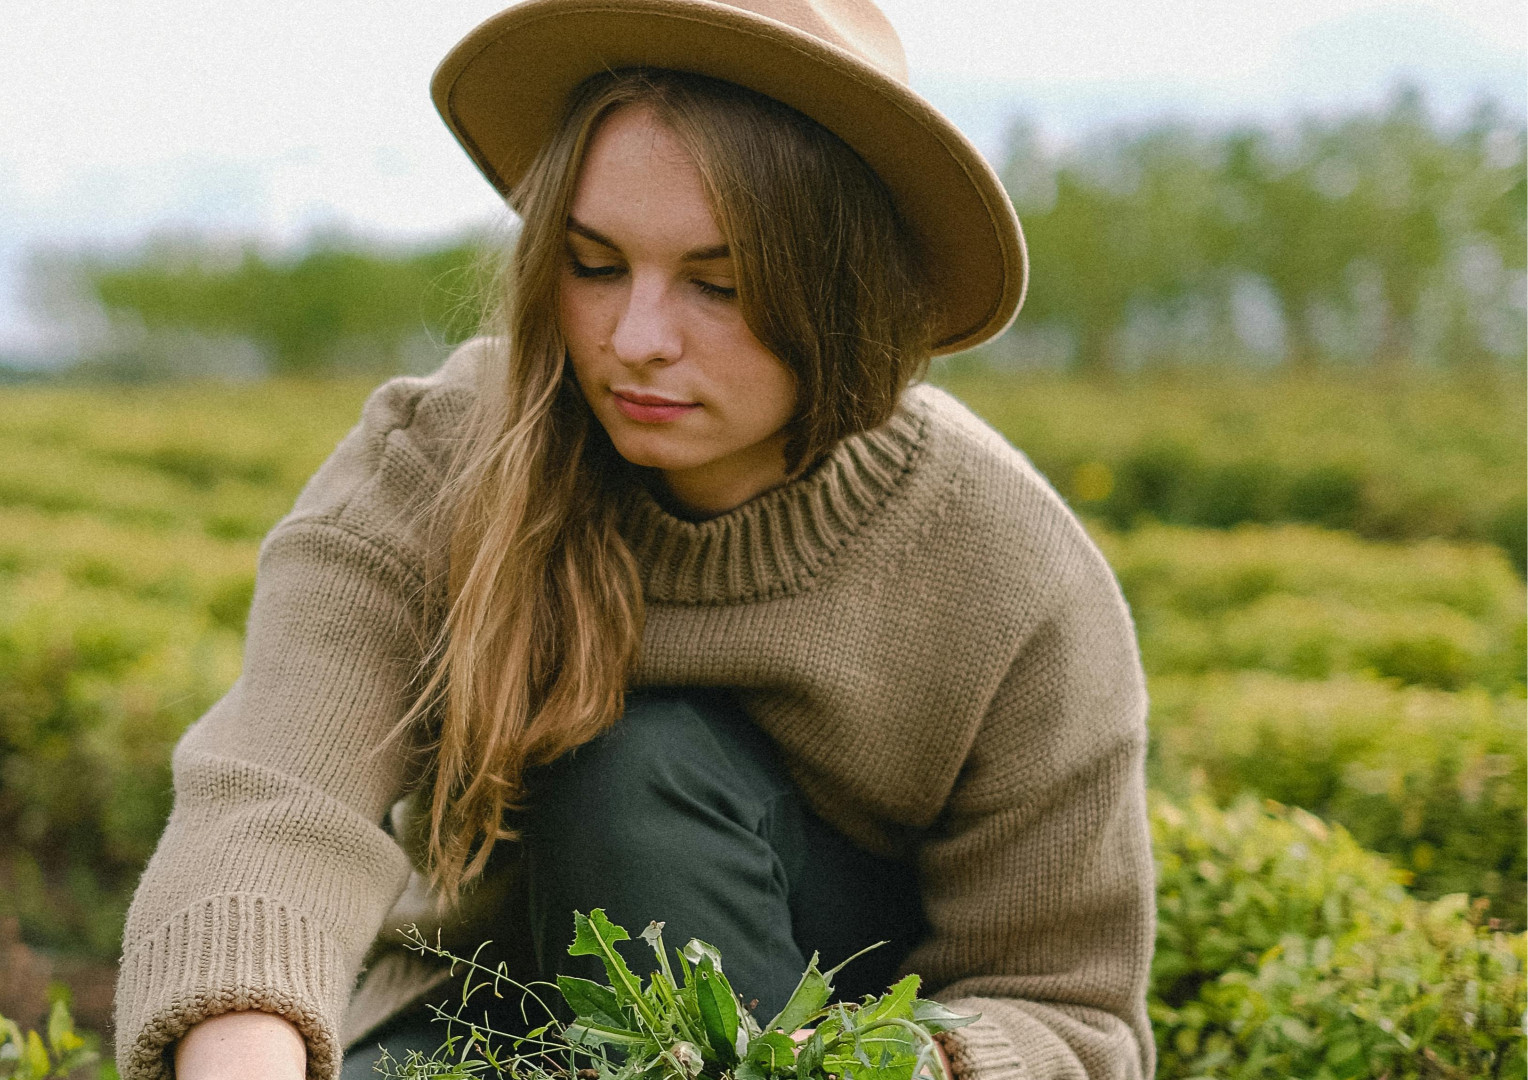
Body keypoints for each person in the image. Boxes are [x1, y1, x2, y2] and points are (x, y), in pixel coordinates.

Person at [114, 2, 1156, 1079]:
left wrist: (882, 1063)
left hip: (811, 1049)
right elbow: (279, 798)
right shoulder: (440, 457)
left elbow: (1072, 1011)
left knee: (637, 770)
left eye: (720, 284)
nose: (636, 339)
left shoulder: (1009, 572)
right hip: (488, 1023)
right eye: (595, 265)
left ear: (845, 291)